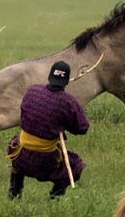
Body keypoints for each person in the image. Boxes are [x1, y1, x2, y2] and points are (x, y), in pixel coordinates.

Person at [7, 60, 90, 199]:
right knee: (74, 165)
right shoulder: (69, 102)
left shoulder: (32, 90)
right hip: (45, 162)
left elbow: (24, 115)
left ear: (49, 77)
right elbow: (82, 128)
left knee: (16, 142)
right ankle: (54, 199)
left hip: (20, 155)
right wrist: (64, 124)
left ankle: (14, 193)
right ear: (67, 82)